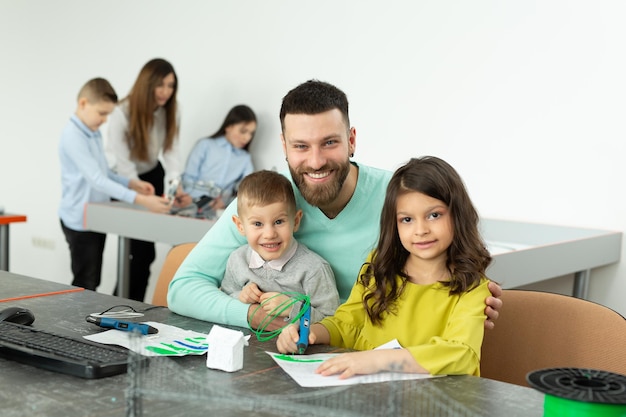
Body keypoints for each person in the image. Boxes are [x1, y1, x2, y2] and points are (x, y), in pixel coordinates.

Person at [167, 80, 502, 330]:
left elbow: (460, 270)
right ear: (284, 146)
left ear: (351, 140)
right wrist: (255, 316)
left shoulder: (399, 197)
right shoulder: (266, 199)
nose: (315, 161)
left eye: (329, 143)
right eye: (300, 146)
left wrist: (469, 301)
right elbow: (183, 289)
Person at [277, 156, 492, 378]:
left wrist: (378, 360)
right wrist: (309, 332)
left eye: (434, 215)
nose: (421, 230)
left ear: (458, 214)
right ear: (394, 223)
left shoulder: (472, 286)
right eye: (407, 219)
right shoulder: (379, 266)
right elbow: (346, 325)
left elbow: (462, 354)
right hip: (373, 396)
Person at [58, 78, 171, 291]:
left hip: (95, 217)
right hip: (79, 220)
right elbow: (97, 180)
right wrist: (142, 200)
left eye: (107, 115)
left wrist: (131, 183)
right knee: (85, 283)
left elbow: (104, 172)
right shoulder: (73, 136)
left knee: (91, 281)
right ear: (83, 104)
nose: (104, 120)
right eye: (101, 113)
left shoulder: (92, 133)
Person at [107, 58, 191, 301]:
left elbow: (172, 154)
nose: (166, 92)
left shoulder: (173, 111)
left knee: (144, 255)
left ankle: (132, 306)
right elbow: (123, 164)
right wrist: (142, 196)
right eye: (161, 85)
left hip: (153, 174)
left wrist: (176, 190)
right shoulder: (121, 113)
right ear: (147, 84)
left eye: (171, 85)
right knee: (136, 252)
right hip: (126, 180)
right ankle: (119, 304)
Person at [221, 170, 339, 323]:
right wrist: (240, 296)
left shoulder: (313, 269)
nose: (269, 234)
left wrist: (292, 308)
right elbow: (223, 298)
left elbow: (332, 321)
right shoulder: (237, 259)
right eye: (258, 224)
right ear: (240, 226)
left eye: (278, 222)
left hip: (298, 346)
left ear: (295, 221)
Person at [182, 105, 257, 212]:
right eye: (243, 131)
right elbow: (188, 178)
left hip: (220, 211)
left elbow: (247, 191)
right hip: (191, 204)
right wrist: (200, 199)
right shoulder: (205, 145)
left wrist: (226, 201)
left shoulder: (245, 159)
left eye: (251, 133)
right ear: (228, 127)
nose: (247, 138)